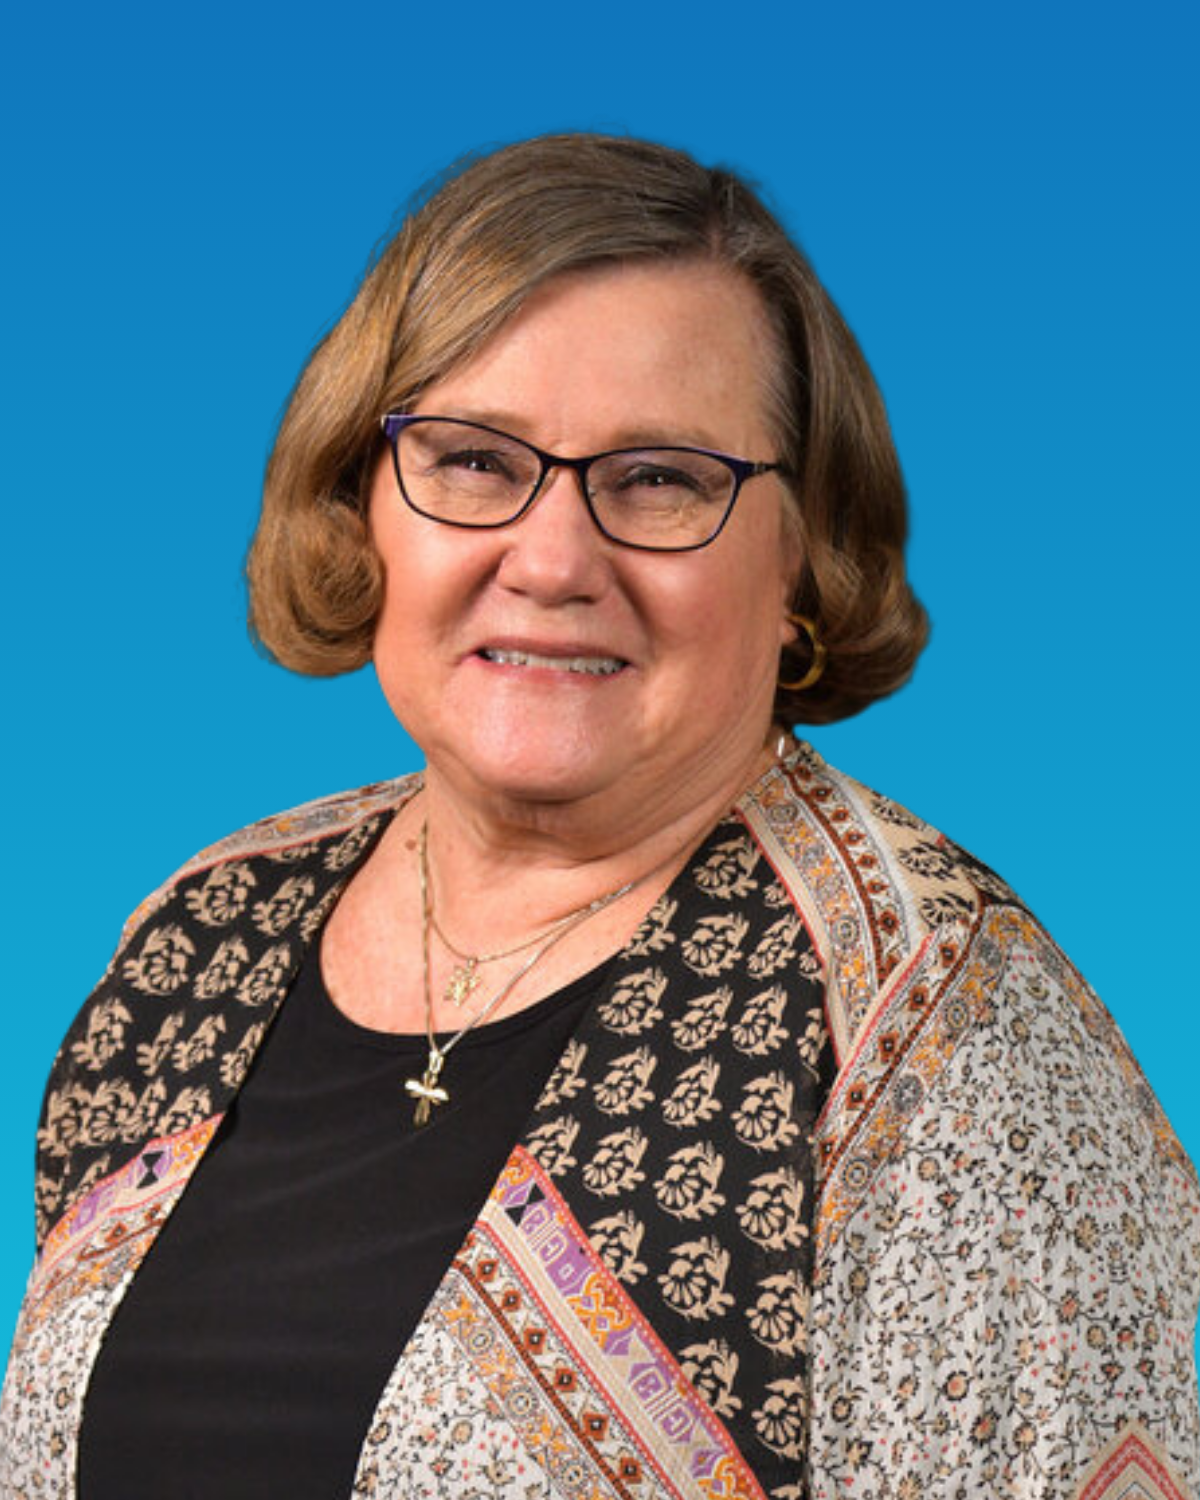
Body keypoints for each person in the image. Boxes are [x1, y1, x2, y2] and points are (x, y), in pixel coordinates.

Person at [2, 133, 1196, 1500]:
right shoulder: (203, 939)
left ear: (808, 554)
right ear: (361, 504)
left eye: (662, 479)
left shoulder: (938, 1024)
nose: (556, 559)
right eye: (469, 460)